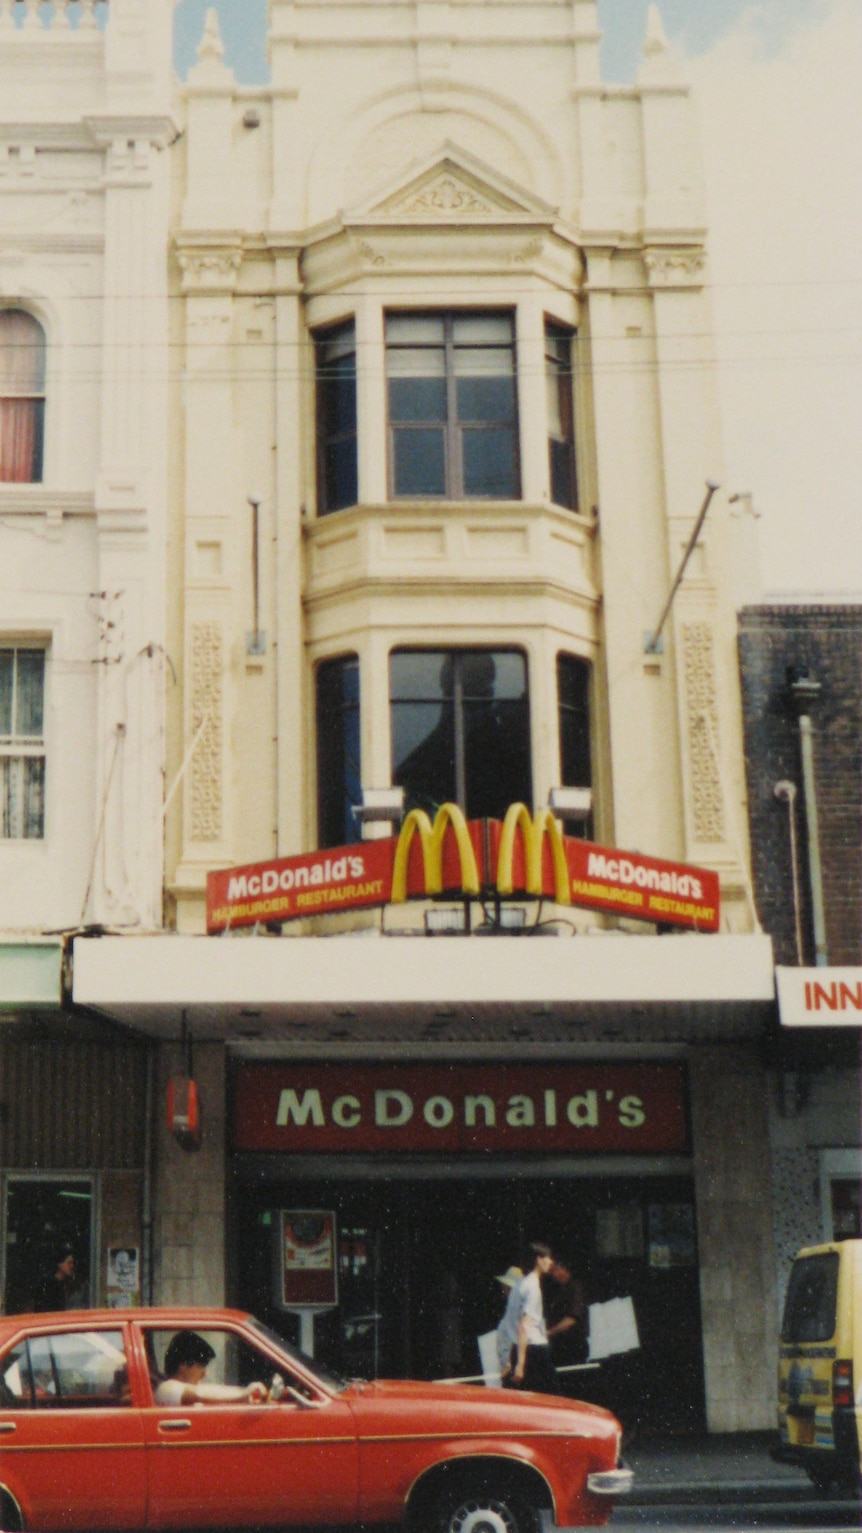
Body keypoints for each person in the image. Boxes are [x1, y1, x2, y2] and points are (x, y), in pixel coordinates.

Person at [154, 1331, 267, 1406]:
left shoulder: (183, 1389)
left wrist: (247, 1392)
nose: (205, 1373)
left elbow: (211, 1389)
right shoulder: (166, 1388)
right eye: (201, 1366)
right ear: (183, 1366)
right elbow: (199, 1393)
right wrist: (245, 1393)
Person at [512, 1243, 559, 1395]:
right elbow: (524, 1325)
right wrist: (520, 1363)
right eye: (548, 1258)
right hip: (534, 1349)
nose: (551, 1262)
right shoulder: (532, 1287)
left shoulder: (523, 1284)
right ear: (539, 1259)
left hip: (528, 1348)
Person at [493, 1265, 523, 1386]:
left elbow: (516, 1337)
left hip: (512, 1368)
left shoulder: (518, 1309)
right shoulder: (511, 1308)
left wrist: (508, 1364)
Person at [32, 1243, 80, 1313]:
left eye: (72, 1263)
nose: (72, 1266)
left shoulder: (68, 1284)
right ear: (60, 1264)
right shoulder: (50, 1285)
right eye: (69, 1263)